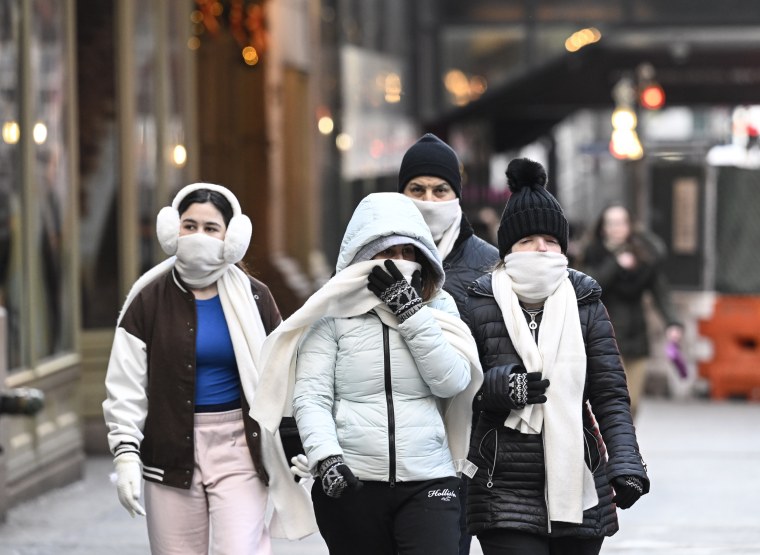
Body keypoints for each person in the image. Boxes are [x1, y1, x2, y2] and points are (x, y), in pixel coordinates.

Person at [249, 192, 483, 555]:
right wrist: (326, 457)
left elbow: (451, 381)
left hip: (430, 479)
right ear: (362, 256)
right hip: (353, 483)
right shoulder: (331, 312)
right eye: (388, 253)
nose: (400, 262)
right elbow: (312, 396)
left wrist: (410, 313)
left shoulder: (438, 306)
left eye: (409, 253)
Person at [102, 183, 315, 555]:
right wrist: (125, 455)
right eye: (189, 225)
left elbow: (286, 375)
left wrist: (300, 440)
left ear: (231, 238)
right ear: (172, 230)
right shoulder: (147, 299)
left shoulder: (256, 297)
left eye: (211, 228)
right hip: (168, 452)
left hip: (239, 447)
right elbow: (125, 385)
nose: (198, 236)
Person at [460, 159, 649, 555]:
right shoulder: (478, 302)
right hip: (502, 487)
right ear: (508, 248)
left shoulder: (585, 301)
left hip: (578, 485)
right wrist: (500, 387)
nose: (540, 250)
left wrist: (627, 464)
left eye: (550, 241)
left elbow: (609, 393)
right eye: (528, 242)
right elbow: (457, 386)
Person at [398, 132, 500, 555]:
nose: (429, 200)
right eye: (416, 190)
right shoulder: (373, 260)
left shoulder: (489, 264)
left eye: (441, 190)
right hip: (392, 438)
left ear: (457, 196)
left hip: (464, 441)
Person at [580, 203, 683, 417]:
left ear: (630, 226)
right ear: (603, 228)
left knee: (632, 402)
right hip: (603, 336)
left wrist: (673, 322)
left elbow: (660, 292)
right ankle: (609, 447)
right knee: (612, 399)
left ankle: (623, 446)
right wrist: (616, 264)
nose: (616, 228)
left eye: (621, 223)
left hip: (636, 335)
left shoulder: (644, 256)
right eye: (611, 223)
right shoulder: (592, 254)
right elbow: (591, 286)